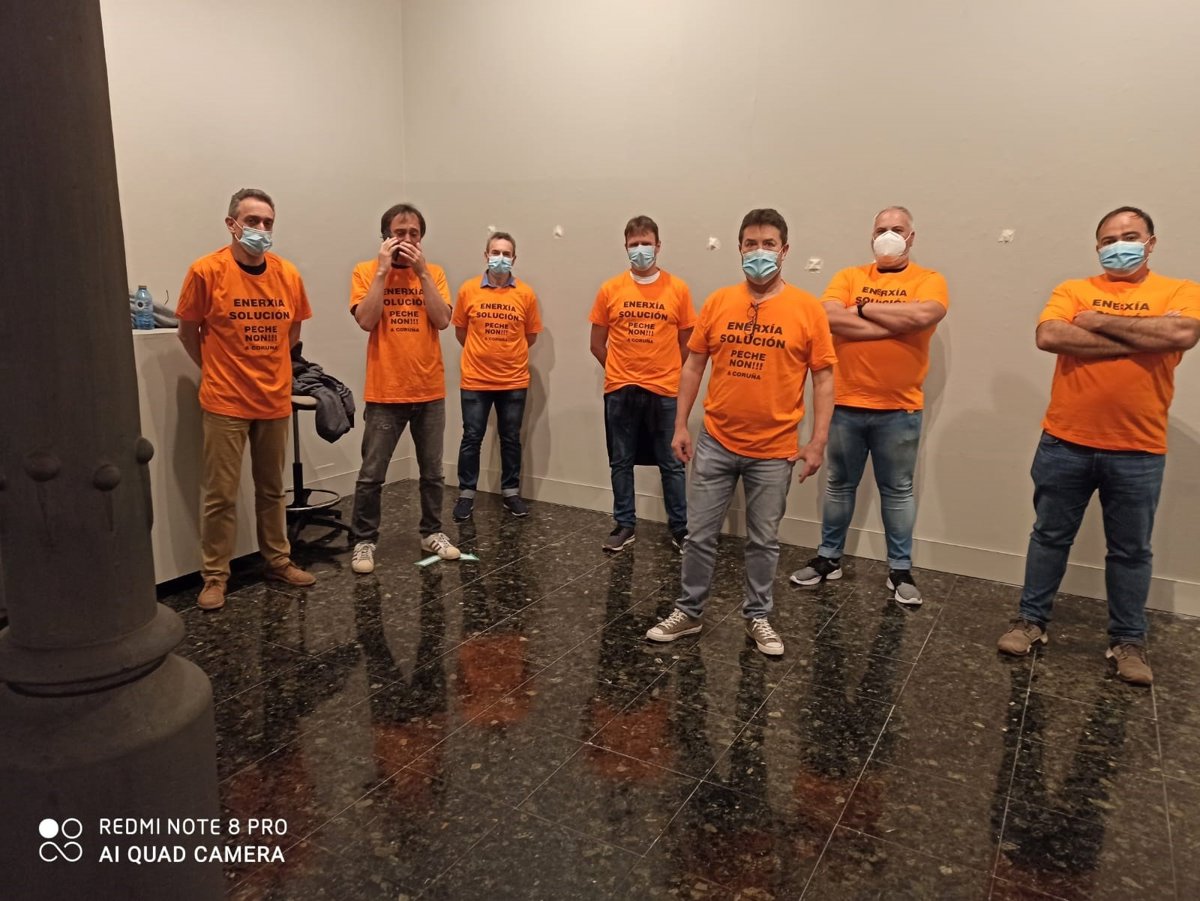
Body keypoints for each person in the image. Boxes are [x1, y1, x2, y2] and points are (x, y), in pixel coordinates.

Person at [997, 206, 1200, 685]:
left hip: (1139, 449)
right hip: (1064, 441)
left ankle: (1128, 641)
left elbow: (1183, 332)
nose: (1118, 245)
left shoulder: (1179, 291)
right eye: (1109, 239)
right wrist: (1145, 338)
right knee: (1049, 537)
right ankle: (1030, 621)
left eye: (1130, 236)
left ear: (1150, 243)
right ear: (1097, 247)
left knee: (1130, 551)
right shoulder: (1073, 289)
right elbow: (1050, 335)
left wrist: (1096, 322)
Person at [646, 208, 836, 656]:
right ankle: (689, 611)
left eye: (768, 244)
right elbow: (693, 365)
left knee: (763, 541)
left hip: (775, 451)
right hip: (716, 441)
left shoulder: (807, 309)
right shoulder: (718, 302)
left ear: (784, 251)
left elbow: (824, 378)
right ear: (739, 248)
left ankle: (758, 617)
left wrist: (817, 441)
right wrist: (680, 424)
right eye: (751, 244)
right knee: (699, 536)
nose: (759, 252)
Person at [790, 206, 948, 605]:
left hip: (900, 408)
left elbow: (926, 313)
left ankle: (900, 570)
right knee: (839, 485)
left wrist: (860, 309)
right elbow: (827, 316)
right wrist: (898, 326)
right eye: (881, 229)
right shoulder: (849, 276)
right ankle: (829, 558)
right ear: (871, 236)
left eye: (897, 229)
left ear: (911, 237)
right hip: (845, 403)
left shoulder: (929, 279)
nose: (888, 236)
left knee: (898, 491)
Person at [176, 187, 317, 611]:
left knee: (272, 490)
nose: (260, 229)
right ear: (232, 224)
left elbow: (293, 331)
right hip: (225, 400)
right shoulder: (206, 271)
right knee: (220, 494)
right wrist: (215, 369)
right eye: (252, 221)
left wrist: (273, 369)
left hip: (273, 398)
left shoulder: (287, 274)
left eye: (267, 222)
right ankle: (215, 576)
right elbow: (187, 331)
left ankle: (278, 560)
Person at [348, 203, 460, 575]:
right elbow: (366, 320)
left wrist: (423, 273)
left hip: (429, 389)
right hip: (385, 390)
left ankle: (432, 532)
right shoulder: (366, 271)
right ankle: (364, 540)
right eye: (400, 233)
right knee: (371, 474)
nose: (407, 239)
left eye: (414, 233)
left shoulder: (434, 272)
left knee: (433, 472)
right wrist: (382, 272)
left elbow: (443, 320)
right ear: (386, 236)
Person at [589, 215, 695, 553]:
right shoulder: (610, 289)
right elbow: (596, 344)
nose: (640, 250)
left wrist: (665, 370)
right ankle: (624, 524)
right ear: (625, 247)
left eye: (646, 243)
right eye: (634, 244)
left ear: (658, 246)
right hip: (620, 390)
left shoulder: (678, 289)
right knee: (620, 461)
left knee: (672, 464)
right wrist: (620, 371)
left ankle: (680, 528)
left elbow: (687, 343)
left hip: (664, 391)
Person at [450, 231, 542, 521]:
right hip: (475, 380)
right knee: (471, 437)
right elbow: (461, 332)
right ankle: (466, 494)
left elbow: (530, 336)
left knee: (511, 438)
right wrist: (482, 353)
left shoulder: (526, 294)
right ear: (486, 255)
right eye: (495, 252)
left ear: (514, 258)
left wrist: (507, 354)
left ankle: (511, 493)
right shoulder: (468, 290)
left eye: (506, 253)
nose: (500, 258)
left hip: (513, 380)